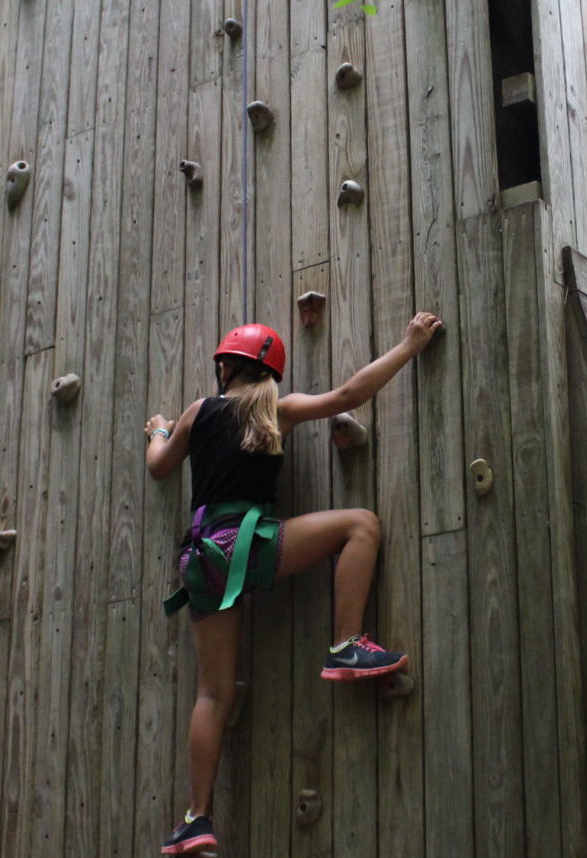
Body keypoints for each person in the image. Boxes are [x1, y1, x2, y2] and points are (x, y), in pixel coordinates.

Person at [144, 313, 444, 854]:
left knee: (213, 693)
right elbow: (350, 392)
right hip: (248, 545)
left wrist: (161, 430)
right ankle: (347, 643)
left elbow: (159, 467)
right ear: (270, 373)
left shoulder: (197, 412)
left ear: (223, 367)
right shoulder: (274, 409)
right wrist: (408, 345)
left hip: (201, 559)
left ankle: (195, 820)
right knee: (361, 525)